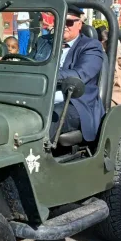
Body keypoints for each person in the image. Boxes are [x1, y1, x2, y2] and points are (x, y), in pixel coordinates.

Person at [48, 8, 105, 142]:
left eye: (68, 22)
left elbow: (80, 74)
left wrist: (46, 75)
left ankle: (37, 157)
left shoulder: (90, 46)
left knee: (48, 117)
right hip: (40, 96)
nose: (64, 26)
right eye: (60, 21)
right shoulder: (45, 42)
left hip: (74, 101)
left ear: (79, 24)